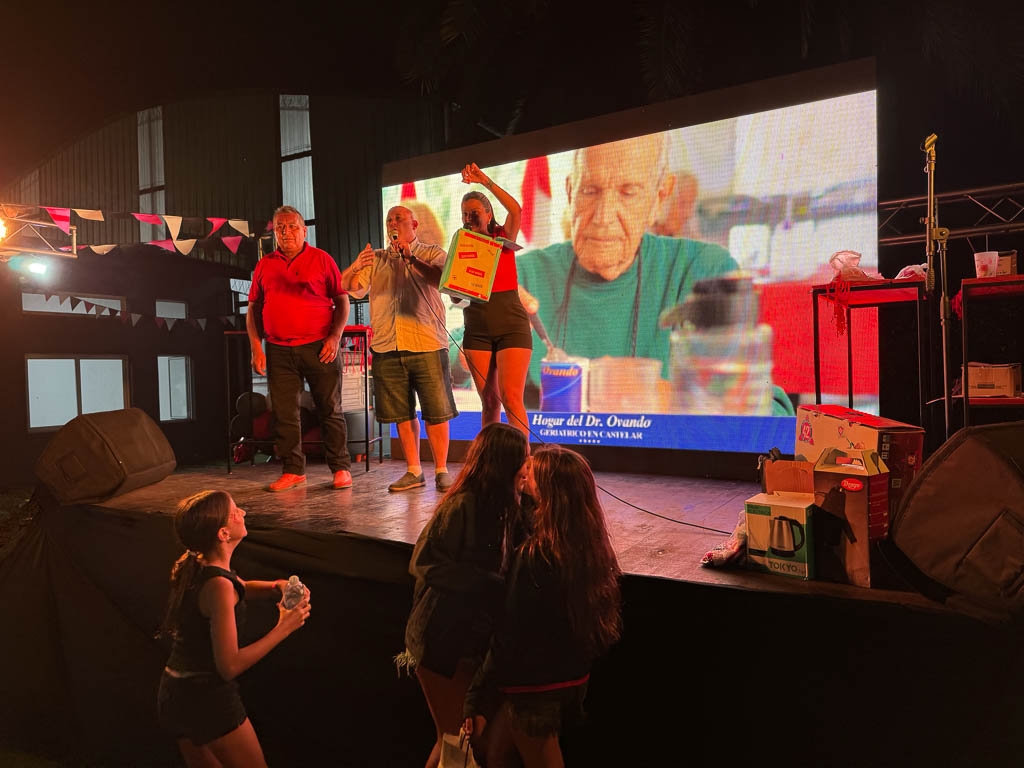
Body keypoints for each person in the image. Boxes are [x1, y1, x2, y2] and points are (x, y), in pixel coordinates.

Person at [515, 135, 794, 415]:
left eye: (628, 192)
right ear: (569, 192)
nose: (603, 216)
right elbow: (485, 398)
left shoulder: (704, 272)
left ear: (659, 198)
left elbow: (776, 417)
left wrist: (671, 399)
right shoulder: (522, 277)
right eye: (589, 190)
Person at [462, 445, 622, 768]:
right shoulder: (586, 545)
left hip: (535, 686)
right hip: (570, 678)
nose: (523, 473)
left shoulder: (535, 556)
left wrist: (477, 697)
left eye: (531, 473)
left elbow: (509, 633)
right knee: (497, 754)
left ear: (550, 491)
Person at [399, 423, 531, 768]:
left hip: (468, 639)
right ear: (504, 463)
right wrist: (486, 582)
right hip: (439, 640)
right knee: (455, 739)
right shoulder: (462, 505)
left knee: (458, 740)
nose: (528, 468)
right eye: (524, 460)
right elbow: (422, 562)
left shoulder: (509, 505)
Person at [156, 490, 311, 768]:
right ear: (224, 534)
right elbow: (229, 666)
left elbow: (239, 588)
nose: (243, 513)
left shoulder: (201, 565)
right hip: (204, 699)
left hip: (176, 692)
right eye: (235, 512)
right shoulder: (217, 586)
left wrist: (275, 586)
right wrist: (284, 627)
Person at [342, 205, 459, 492]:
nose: (393, 223)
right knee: (401, 413)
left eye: (399, 219)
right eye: (389, 220)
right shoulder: (377, 259)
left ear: (414, 225)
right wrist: (355, 267)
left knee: (436, 411)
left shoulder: (432, 252)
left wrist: (411, 258)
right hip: (387, 346)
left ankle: (442, 470)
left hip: (427, 343)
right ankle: (414, 470)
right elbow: (350, 287)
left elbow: (443, 281)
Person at [247, 205, 353, 491]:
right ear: (274, 232)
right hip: (279, 349)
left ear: (304, 231)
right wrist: (257, 347)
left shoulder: (322, 259)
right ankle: (293, 470)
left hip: (320, 346)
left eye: (292, 226)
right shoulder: (265, 264)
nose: (286, 232)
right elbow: (254, 308)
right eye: (280, 227)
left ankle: (340, 468)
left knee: (329, 408)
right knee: (284, 413)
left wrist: (334, 337)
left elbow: (342, 301)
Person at [459, 163, 533, 436]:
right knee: (489, 402)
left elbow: (516, 210)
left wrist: (485, 181)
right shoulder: (462, 245)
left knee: (511, 398)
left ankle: (523, 458)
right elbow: (457, 294)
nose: (469, 218)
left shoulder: (503, 236)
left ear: (488, 214)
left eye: (475, 213)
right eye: (465, 214)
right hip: (477, 327)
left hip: (511, 325)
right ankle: (489, 458)